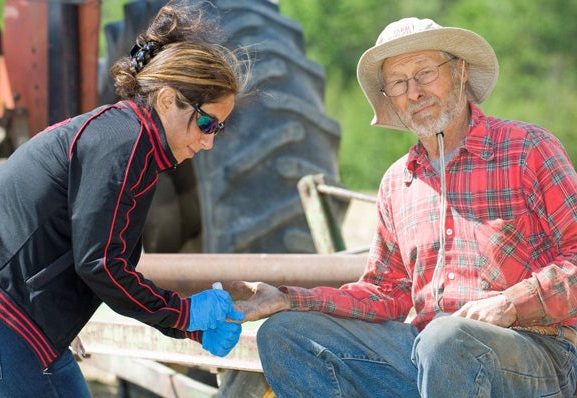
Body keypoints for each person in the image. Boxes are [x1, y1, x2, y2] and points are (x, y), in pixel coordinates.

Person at [234, 17, 577, 397]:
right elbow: (385, 293)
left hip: (538, 352)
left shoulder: (527, 148)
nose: (414, 92)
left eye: (425, 73)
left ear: (460, 72)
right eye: (399, 82)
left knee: (447, 339)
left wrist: (510, 304)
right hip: (430, 355)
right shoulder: (398, 182)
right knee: (285, 335)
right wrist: (289, 298)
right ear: (390, 98)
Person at [0, 1, 248, 396]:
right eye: (205, 122)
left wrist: (185, 324)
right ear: (168, 99)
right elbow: (102, 264)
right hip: (3, 324)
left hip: (12, 324)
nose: (208, 141)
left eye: (218, 129)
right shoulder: (125, 146)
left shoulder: (126, 137)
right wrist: (184, 315)